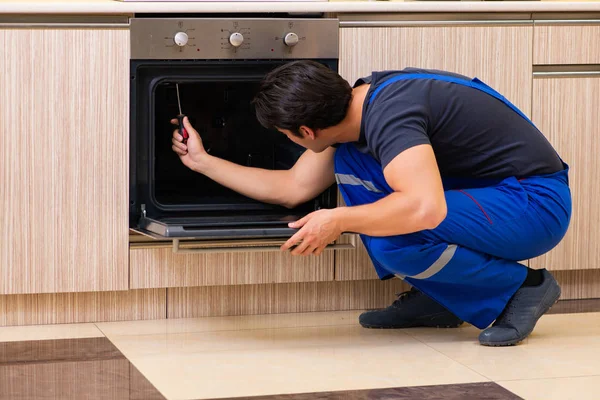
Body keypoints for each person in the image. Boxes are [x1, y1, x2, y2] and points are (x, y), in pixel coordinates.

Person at [171, 61, 571, 346]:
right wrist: (203, 162)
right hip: (495, 197)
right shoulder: (356, 110)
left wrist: (341, 219)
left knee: (392, 237)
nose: (289, 143)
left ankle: (523, 288)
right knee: (359, 175)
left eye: (287, 136)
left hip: (533, 204)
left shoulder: (391, 116)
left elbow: (424, 209)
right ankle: (447, 298)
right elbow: (293, 187)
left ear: (306, 130)